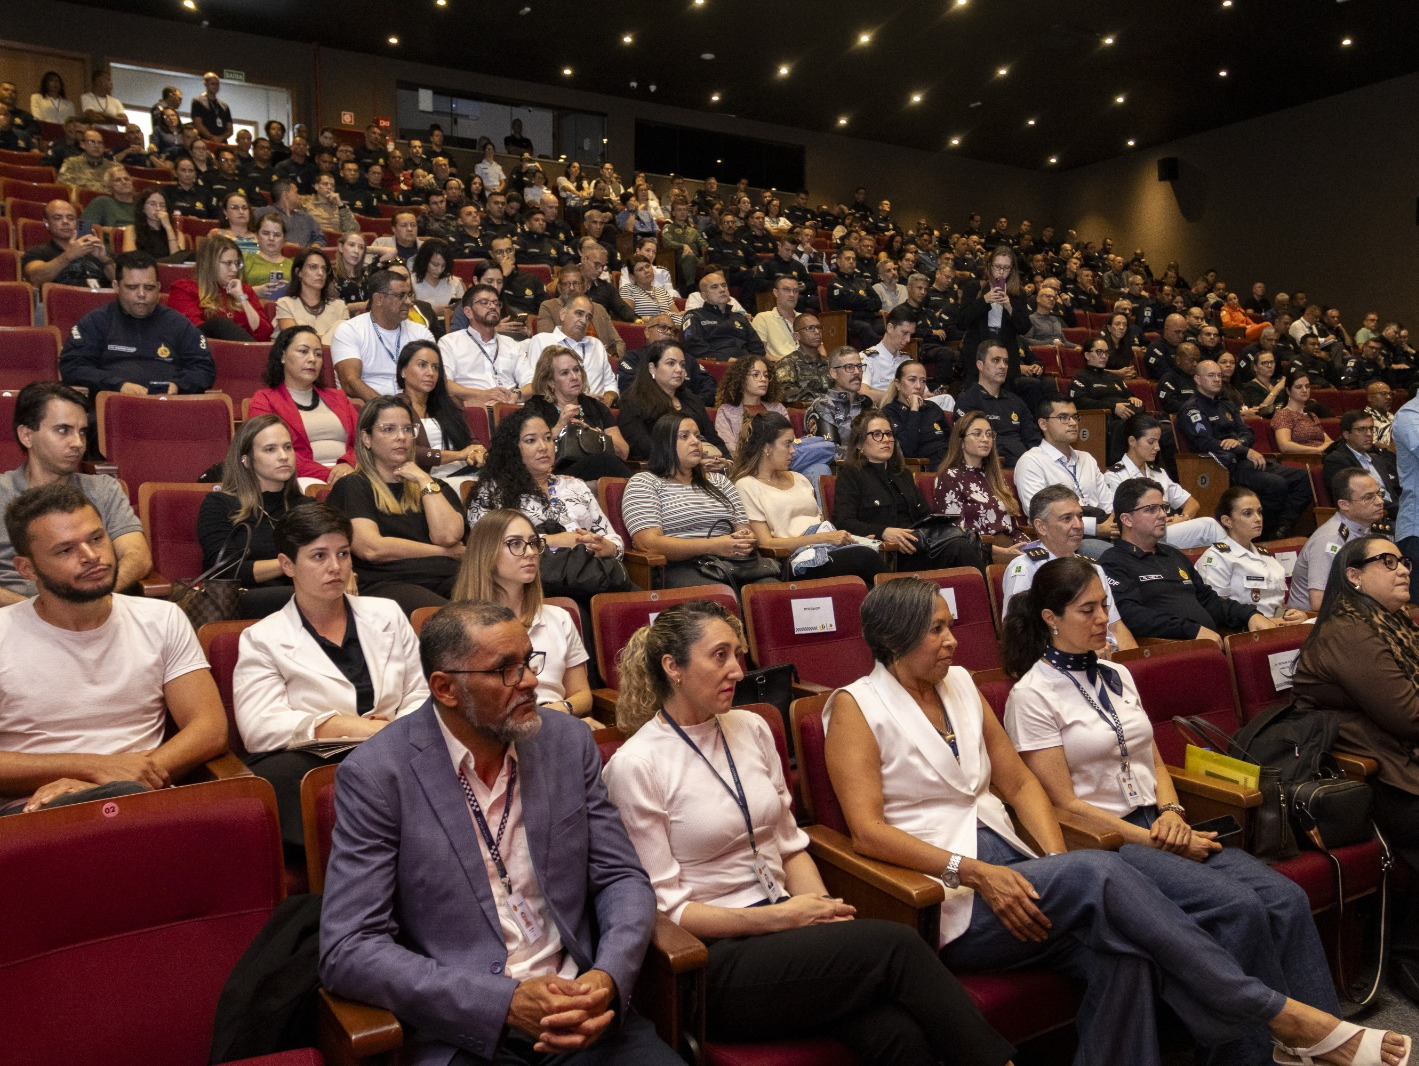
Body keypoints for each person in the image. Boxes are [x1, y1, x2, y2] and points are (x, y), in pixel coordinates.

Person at [823, 575, 1409, 1066]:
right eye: (938, 629)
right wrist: (973, 872)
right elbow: (868, 831)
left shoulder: (959, 688)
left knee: (1121, 955)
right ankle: (1286, 1017)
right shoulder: (856, 706)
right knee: (1098, 875)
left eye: (951, 624)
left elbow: (1020, 783)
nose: (955, 639)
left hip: (1020, 870)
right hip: (950, 900)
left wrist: (1056, 866)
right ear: (895, 638)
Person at [603, 601, 1015, 1066]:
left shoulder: (752, 727)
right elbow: (669, 911)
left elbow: (791, 846)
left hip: (788, 931)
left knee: (897, 1034)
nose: (737, 671)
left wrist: (822, 912)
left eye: (738, 655)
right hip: (714, 960)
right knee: (896, 947)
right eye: (719, 656)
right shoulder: (637, 765)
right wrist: (785, 919)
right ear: (672, 667)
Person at [1002, 557, 1341, 1065]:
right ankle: (1249, 1057)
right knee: (1239, 909)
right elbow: (1062, 805)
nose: (1102, 619)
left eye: (1105, 607)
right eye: (1087, 610)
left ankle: (1322, 1044)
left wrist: (1172, 811)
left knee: (1285, 896)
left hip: (1161, 822)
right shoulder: (1030, 695)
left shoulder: (1116, 673)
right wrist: (1153, 836)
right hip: (1107, 844)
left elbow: (1153, 757)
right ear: (1051, 617)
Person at [319, 600, 680, 1065]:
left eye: (529, 660)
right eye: (505, 670)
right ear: (445, 688)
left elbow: (621, 878)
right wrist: (502, 1003)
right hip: (467, 1033)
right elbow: (349, 949)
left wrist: (607, 976)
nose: (530, 680)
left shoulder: (567, 743)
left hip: (581, 1011)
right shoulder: (377, 776)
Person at [0, 482, 226, 814]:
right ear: (27, 569)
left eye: (96, 538)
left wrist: (113, 779)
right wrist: (92, 767)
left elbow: (210, 728)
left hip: (142, 797)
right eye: (65, 550)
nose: (92, 557)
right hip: (38, 812)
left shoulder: (162, 618)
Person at [1293, 535, 1419, 1001]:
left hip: (1397, 758)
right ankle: (1408, 951)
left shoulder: (1394, 623)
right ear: (1353, 576)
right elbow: (1409, 715)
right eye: (1387, 561)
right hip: (1367, 777)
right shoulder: (1349, 631)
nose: (1402, 568)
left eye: (1403, 560)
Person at [0, 383, 151, 606]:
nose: (78, 443)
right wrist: (39, 611)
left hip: (94, 611)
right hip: (13, 615)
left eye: (82, 432)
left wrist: (93, 598)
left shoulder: (104, 489)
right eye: (63, 430)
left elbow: (138, 557)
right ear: (27, 436)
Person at [327, 395, 468, 614]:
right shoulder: (354, 486)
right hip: (388, 583)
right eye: (388, 429)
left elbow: (448, 536)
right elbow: (372, 548)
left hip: (449, 577)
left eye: (407, 429)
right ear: (367, 438)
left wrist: (424, 481)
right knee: (452, 618)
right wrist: (442, 552)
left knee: (496, 606)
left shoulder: (435, 486)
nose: (401, 437)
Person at [451, 509, 594, 720]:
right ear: (485, 553)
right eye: (515, 543)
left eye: (533, 543)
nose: (530, 553)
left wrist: (558, 713)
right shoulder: (459, 625)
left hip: (556, 719)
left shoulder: (559, 618)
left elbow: (582, 695)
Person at [1101, 477, 1277, 644]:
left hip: (1209, 646)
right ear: (1127, 519)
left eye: (1163, 507)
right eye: (1151, 509)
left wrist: (1249, 615)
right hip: (1167, 651)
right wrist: (1190, 631)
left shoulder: (1173, 555)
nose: (1162, 515)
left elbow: (1209, 601)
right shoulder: (1113, 562)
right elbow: (1129, 615)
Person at [623, 413, 772, 590]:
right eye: (684, 436)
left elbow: (745, 529)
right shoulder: (644, 482)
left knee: (770, 590)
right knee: (721, 596)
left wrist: (745, 538)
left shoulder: (719, 481)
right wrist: (715, 546)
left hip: (732, 563)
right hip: (680, 566)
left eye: (698, 436)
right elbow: (648, 543)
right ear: (664, 443)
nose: (695, 442)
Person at [730, 413, 882, 582]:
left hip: (825, 547)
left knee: (870, 552)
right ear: (767, 448)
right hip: (792, 561)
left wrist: (852, 539)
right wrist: (824, 538)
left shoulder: (799, 478)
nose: (793, 451)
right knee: (866, 558)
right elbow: (765, 543)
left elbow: (822, 526)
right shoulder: (747, 485)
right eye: (787, 444)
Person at [1178, 359, 1312, 540]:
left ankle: (1282, 528)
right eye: (1211, 375)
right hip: (1223, 466)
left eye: (1218, 375)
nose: (1217, 379)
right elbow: (1205, 442)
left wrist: (1239, 443)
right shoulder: (1192, 409)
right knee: (1276, 484)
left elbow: (1247, 432)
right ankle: (1263, 536)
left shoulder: (1226, 404)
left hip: (1245, 460)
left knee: (1304, 477)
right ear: (1198, 379)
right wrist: (1242, 450)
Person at [195, 413, 311, 617]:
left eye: (287, 447)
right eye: (270, 449)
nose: (284, 456)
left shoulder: (306, 506)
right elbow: (224, 570)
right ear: (246, 461)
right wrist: (290, 564)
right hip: (242, 599)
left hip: (303, 596)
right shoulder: (220, 504)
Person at [59, 251, 216, 397]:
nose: (141, 294)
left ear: (159, 288)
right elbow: (73, 366)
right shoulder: (97, 321)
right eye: (132, 287)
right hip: (113, 403)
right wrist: (117, 385)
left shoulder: (178, 324)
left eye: (149, 288)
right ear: (116, 287)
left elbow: (204, 370)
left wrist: (178, 386)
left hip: (168, 405)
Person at [833, 413, 977, 572]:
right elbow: (843, 522)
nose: (886, 439)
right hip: (888, 554)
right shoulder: (851, 474)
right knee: (960, 548)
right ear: (860, 443)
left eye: (889, 434)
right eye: (876, 434)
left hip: (919, 546)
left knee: (962, 545)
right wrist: (883, 532)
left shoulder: (902, 473)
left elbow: (924, 515)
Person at [1002, 485, 1137, 651]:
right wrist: (1083, 655)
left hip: (1106, 658)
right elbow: (1020, 637)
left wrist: (1134, 668)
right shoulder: (1025, 568)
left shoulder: (1093, 567)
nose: (1078, 525)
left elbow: (1115, 626)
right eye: (1066, 519)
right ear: (1041, 526)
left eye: (1079, 517)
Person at [249, 326, 359, 486]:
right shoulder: (264, 400)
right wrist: (331, 476)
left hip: (349, 474)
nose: (312, 359)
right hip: (298, 479)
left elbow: (365, 440)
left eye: (318, 354)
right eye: (303, 351)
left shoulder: (339, 397)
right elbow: (271, 452)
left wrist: (349, 464)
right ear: (283, 356)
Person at [1013, 399, 1117, 559]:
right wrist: (1095, 528)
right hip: (1066, 539)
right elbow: (1039, 513)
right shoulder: (1031, 461)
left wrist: (1112, 524)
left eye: (1075, 417)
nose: (1073, 423)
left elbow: (1107, 503)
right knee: (1115, 556)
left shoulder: (1087, 458)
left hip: (1104, 528)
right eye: (1063, 417)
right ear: (1043, 424)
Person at [1103, 413, 1225, 549]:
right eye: (1151, 442)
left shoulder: (1158, 473)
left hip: (1165, 530)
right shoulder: (1115, 475)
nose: (1157, 447)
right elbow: (1122, 520)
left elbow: (1192, 503)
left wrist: (1183, 518)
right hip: (1141, 537)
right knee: (1209, 527)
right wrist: (1165, 523)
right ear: (1132, 441)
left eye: (1158, 441)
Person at [1196, 487, 1309, 622]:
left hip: (1276, 627)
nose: (1258, 519)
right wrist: (1268, 622)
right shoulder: (1217, 558)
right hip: (1244, 633)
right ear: (1227, 521)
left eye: (1259, 512)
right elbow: (1216, 610)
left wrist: (1292, 615)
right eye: (1247, 513)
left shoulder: (1266, 556)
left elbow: (1274, 604)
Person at [523, 344, 632, 481]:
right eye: (565, 373)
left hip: (600, 471)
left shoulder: (595, 407)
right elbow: (530, 450)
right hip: (557, 474)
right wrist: (560, 426)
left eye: (576, 370)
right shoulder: (536, 407)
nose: (574, 377)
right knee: (604, 461)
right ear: (550, 381)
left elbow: (623, 452)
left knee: (605, 463)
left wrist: (596, 436)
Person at [932, 411, 1029, 564]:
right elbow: (955, 533)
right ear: (961, 440)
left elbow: (1013, 526)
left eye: (989, 434)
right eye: (977, 434)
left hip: (1010, 549)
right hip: (978, 554)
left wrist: (1027, 547)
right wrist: (1002, 552)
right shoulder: (950, 477)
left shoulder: (996, 476)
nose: (985, 439)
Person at [1287, 468, 1388, 613]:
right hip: (1314, 624)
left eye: (1379, 494)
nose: (1379, 502)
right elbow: (1319, 602)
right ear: (1344, 505)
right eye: (1368, 497)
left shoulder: (1366, 531)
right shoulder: (1330, 540)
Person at [331, 268, 437, 400]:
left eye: (409, 295)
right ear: (379, 299)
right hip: (370, 409)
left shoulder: (421, 333)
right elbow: (350, 383)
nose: (409, 302)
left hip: (414, 404)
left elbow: (435, 378)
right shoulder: (349, 330)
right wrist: (389, 409)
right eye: (400, 296)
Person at [395, 339, 485, 491]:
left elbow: (471, 442)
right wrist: (459, 455)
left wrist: (477, 451)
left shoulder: (449, 404)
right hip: (426, 480)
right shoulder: (395, 407)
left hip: (465, 473)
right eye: (422, 365)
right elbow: (408, 451)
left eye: (435, 367)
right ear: (403, 371)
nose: (431, 373)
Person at [617, 341, 727, 463]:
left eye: (682, 365)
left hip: (705, 467)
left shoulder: (691, 399)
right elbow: (642, 446)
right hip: (662, 472)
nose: (679, 370)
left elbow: (713, 439)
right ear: (652, 368)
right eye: (671, 363)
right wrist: (689, 462)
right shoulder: (633, 400)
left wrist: (725, 462)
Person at [168, 234, 273, 341]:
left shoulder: (243, 290)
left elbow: (264, 333)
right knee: (220, 324)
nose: (235, 269)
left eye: (237, 263)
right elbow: (191, 332)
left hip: (243, 353)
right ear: (209, 264)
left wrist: (242, 299)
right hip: (206, 351)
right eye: (228, 263)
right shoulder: (185, 289)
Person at [955, 343, 1040, 469]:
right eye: (996, 360)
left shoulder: (1016, 401)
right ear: (980, 365)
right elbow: (970, 444)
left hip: (1026, 466)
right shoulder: (968, 400)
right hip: (994, 467)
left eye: (1005, 362)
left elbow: (1033, 440)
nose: (1003, 366)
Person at [523, 296, 618, 405]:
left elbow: (611, 383)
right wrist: (582, 399)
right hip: (557, 409)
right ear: (563, 314)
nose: (584, 320)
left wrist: (608, 397)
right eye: (579, 313)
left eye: (588, 317)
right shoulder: (542, 341)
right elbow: (538, 385)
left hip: (596, 413)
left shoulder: (597, 345)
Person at [1323, 411, 1401, 523]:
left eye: (1371, 428)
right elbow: (1354, 500)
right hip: (1370, 520)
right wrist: (1401, 510)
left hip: (1396, 514)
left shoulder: (1376, 458)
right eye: (1361, 429)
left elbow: (1395, 491)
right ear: (1346, 435)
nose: (1369, 433)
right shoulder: (1337, 460)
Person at [22, 198, 113, 288]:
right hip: (65, 300)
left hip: (105, 299)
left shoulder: (97, 249)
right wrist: (68, 255)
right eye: (57, 218)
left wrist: (104, 259)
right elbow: (35, 278)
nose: (65, 222)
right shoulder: (37, 252)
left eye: (71, 218)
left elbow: (122, 282)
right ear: (47, 223)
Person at [714, 355, 788, 458]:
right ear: (742, 379)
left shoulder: (778, 408)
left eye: (766, 375)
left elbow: (789, 441)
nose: (763, 379)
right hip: (747, 465)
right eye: (756, 375)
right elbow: (730, 448)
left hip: (782, 460)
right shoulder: (727, 411)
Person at [882, 360, 953, 467]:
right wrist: (914, 410)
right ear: (898, 384)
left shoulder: (932, 407)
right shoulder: (890, 412)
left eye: (923, 381)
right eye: (912, 380)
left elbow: (951, 440)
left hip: (948, 462)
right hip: (924, 467)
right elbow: (907, 450)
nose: (919, 386)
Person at [273, 247, 349, 344]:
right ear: (298, 272)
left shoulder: (340, 306)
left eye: (324, 268)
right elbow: (295, 340)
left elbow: (346, 341)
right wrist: (329, 338)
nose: (320, 273)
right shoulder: (285, 304)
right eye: (313, 267)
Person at [120, 187, 189, 263]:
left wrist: (168, 228)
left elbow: (177, 260)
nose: (158, 208)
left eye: (162, 205)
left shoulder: (177, 234)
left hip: (168, 272)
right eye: (152, 204)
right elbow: (129, 259)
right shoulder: (132, 230)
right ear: (143, 208)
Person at [1272, 372, 1334, 456]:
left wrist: (1324, 448)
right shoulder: (1283, 414)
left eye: (1307, 386)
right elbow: (1284, 446)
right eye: (1299, 387)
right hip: (1305, 459)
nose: (1304, 390)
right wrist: (1317, 450)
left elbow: (1329, 442)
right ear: (1288, 390)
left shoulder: (1312, 416)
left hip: (1323, 457)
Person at [410, 238, 465, 326]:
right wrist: (432, 312)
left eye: (443, 265)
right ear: (425, 261)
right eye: (435, 265)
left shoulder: (454, 282)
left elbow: (465, 311)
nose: (439, 270)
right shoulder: (410, 282)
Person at [242, 212, 294, 301]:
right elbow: (232, 295)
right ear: (257, 236)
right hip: (250, 310)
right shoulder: (245, 259)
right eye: (266, 233)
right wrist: (253, 292)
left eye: (277, 235)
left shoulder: (293, 265)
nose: (271, 238)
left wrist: (291, 291)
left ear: (284, 240)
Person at [190, 72, 232, 141]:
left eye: (217, 84)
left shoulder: (224, 106)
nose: (215, 86)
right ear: (205, 84)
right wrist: (211, 137)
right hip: (205, 141)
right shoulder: (198, 102)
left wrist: (220, 138)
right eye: (212, 84)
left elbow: (230, 129)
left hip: (221, 142)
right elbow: (198, 124)